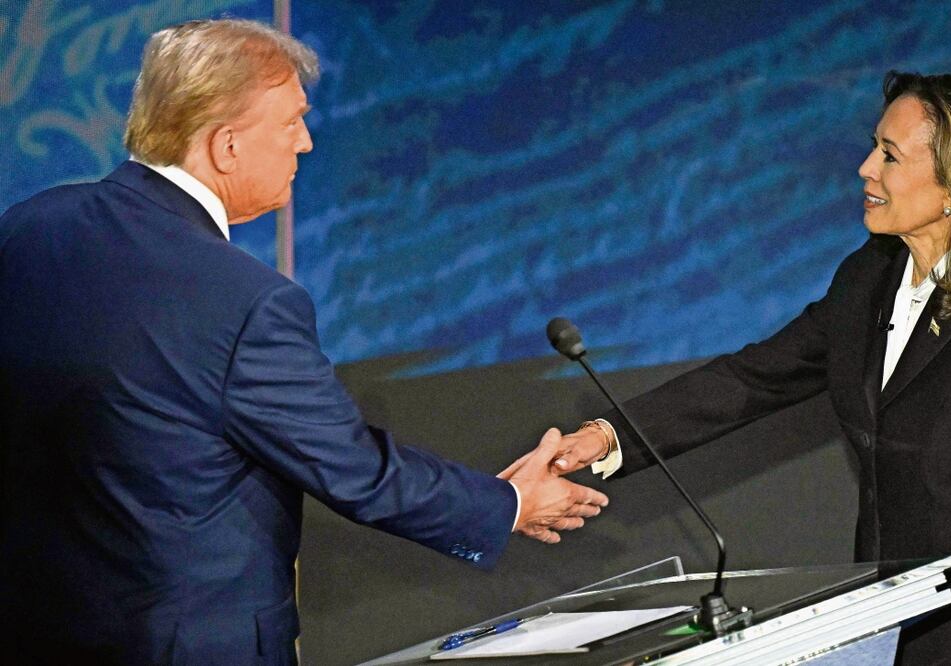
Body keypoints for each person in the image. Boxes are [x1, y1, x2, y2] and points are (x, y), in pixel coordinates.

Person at [0, 18, 608, 665]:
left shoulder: (30, 228)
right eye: (291, 123)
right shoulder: (243, 300)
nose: (307, 143)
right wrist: (509, 503)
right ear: (226, 145)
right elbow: (356, 471)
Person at [551, 71, 951, 664]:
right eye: (874, 146)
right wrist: (603, 438)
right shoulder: (870, 277)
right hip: (885, 633)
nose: (866, 167)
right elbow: (753, 378)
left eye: (889, 155)